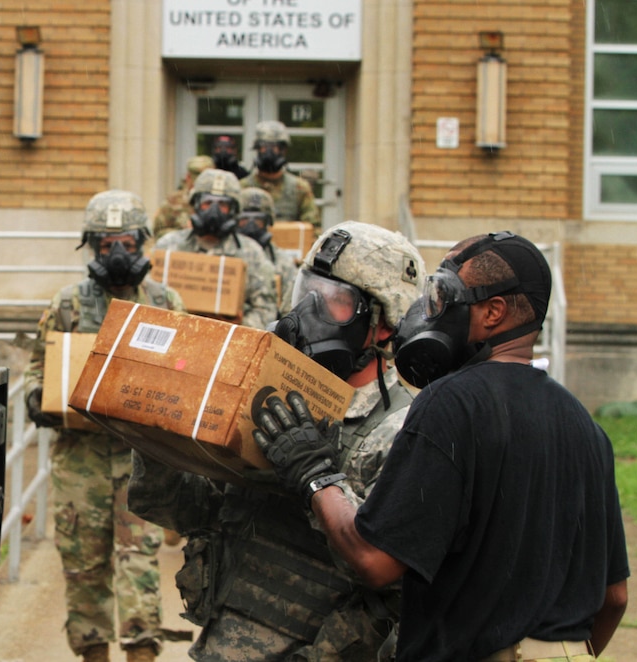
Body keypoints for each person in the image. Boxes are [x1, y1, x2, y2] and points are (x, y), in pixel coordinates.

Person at [254, 231, 631, 661]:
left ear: (494, 312)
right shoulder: (586, 426)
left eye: (444, 297)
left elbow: (374, 561)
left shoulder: (449, 405)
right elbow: (615, 597)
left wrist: (314, 472)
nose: (430, 311)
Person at [129, 221, 427, 661]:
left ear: (383, 325)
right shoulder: (272, 396)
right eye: (306, 292)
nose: (308, 313)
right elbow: (189, 513)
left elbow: (393, 584)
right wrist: (154, 439)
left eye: (333, 301)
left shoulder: (403, 432)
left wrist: (317, 480)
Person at [24, 190, 184, 662]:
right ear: (90, 246)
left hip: (143, 459)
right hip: (80, 460)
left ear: (141, 245)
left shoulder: (165, 301)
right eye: (106, 243)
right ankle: (93, 652)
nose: (117, 255)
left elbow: (186, 372)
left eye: (127, 244)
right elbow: (40, 366)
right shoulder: (68, 305)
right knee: (83, 563)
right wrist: (39, 396)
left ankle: (142, 651)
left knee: (138, 561)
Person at [154, 168, 277, 330]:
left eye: (223, 205)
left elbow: (266, 310)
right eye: (207, 203)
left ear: (234, 210)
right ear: (196, 205)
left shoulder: (251, 253)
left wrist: (238, 325)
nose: (214, 211)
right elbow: (149, 300)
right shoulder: (168, 247)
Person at [240, 120, 320, 229]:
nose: (268, 152)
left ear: (283, 150)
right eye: (264, 146)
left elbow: (312, 228)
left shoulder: (299, 188)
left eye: (273, 147)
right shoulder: (242, 187)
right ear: (257, 149)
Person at [236, 186, 301, 314]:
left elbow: (292, 308)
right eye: (244, 220)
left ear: (268, 222)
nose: (251, 226)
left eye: (258, 221)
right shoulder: (227, 254)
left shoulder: (282, 262)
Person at [152, 154, 215, 242]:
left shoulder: (219, 203)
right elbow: (158, 233)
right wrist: (183, 232)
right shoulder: (173, 201)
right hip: (180, 252)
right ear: (188, 177)